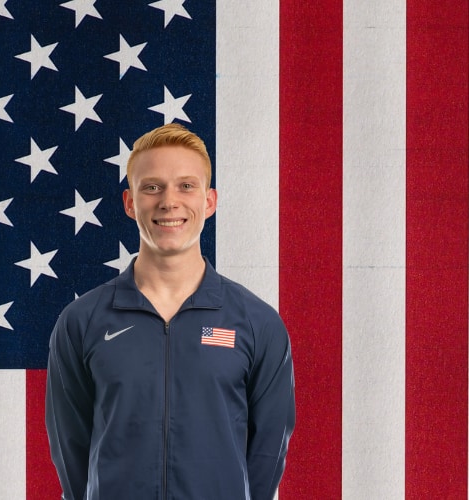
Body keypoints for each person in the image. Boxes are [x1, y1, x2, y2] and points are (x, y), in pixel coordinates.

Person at [45, 123, 295, 500]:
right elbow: (71, 448)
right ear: (130, 202)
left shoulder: (257, 322)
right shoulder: (81, 321)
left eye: (186, 186)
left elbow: (268, 449)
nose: (169, 201)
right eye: (152, 187)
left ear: (209, 201)